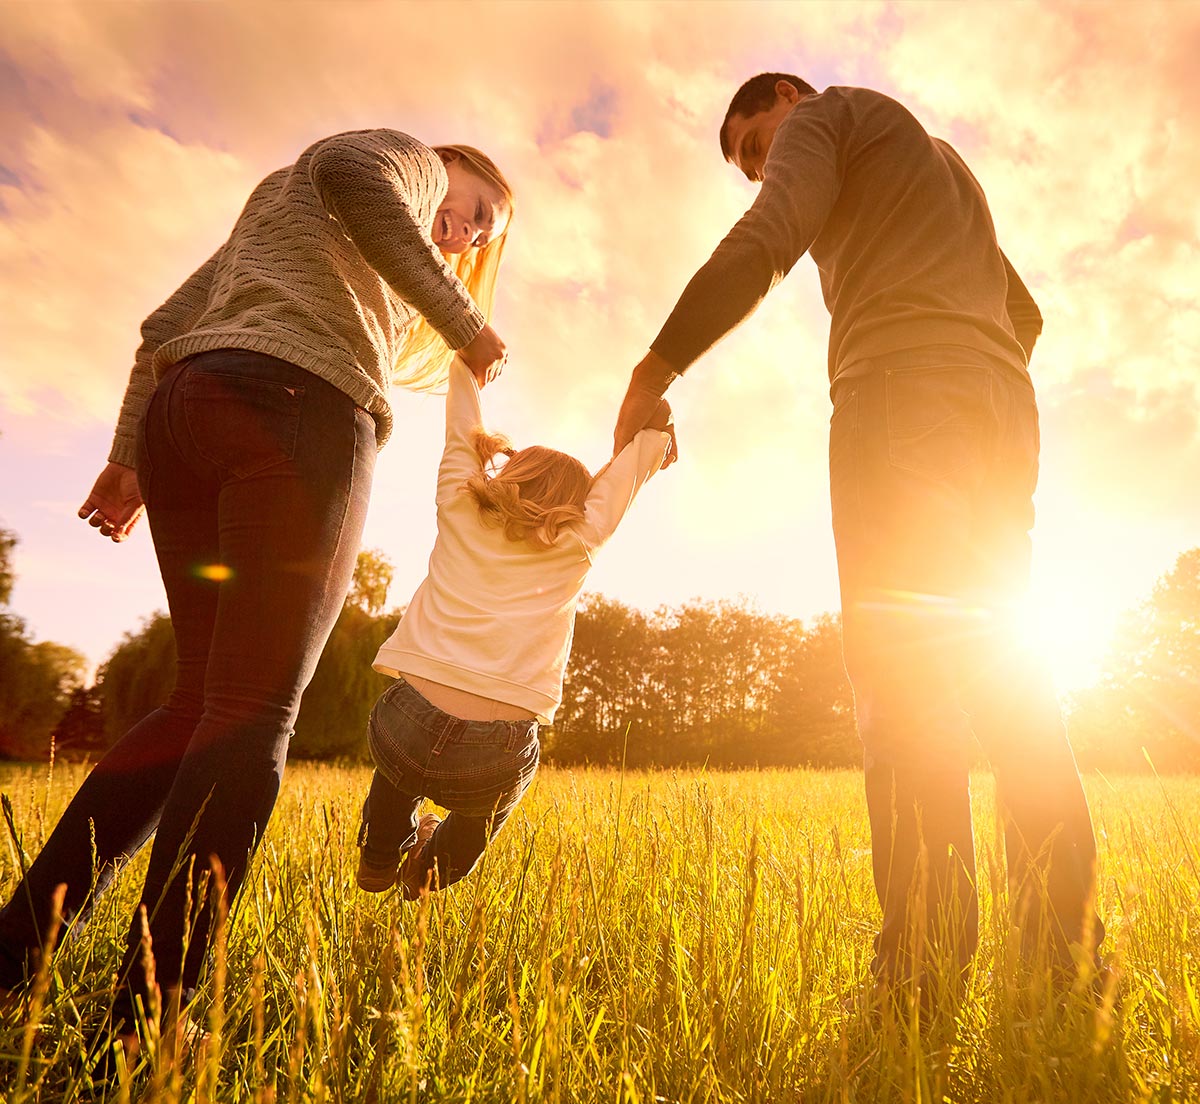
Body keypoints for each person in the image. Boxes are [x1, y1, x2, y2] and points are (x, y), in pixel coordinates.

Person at [0, 128, 514, 1054]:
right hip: (299, 411)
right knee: (250, 714)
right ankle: (149, 1023)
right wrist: (463, 318)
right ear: (446, 167)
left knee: (196, 703)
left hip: (186, 415)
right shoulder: (400, 159)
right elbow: (356, 170)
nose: (467, 232)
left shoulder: (291, 227)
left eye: (482, 236)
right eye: (475, 208)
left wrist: (127, 460)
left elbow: (163, 328)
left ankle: (10, 959)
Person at [613, 73, 1103, 991]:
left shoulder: (828, 117)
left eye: (760, 145)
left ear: (789, 99)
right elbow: (1023, 311)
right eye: (751, 164)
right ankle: (1065, 955)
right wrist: (967, 366)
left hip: (900, 399)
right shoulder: (939, 161)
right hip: (1002, 411)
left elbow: (769, 238)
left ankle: (920, 965)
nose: (763, 170)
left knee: (904, 676)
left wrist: (656, 368)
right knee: (1009, 677)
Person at [356, 358, 673, 896]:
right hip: (495, 749)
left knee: (399, 768)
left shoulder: (460, 504)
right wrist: (656, 438)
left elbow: (461, 430)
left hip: (405, 722)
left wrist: (466, 366)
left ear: (509, 473)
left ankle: (380, 857)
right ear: (578, 504)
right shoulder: (580, 540)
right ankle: (429, 874)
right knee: (483, 814)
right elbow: (625, 478)